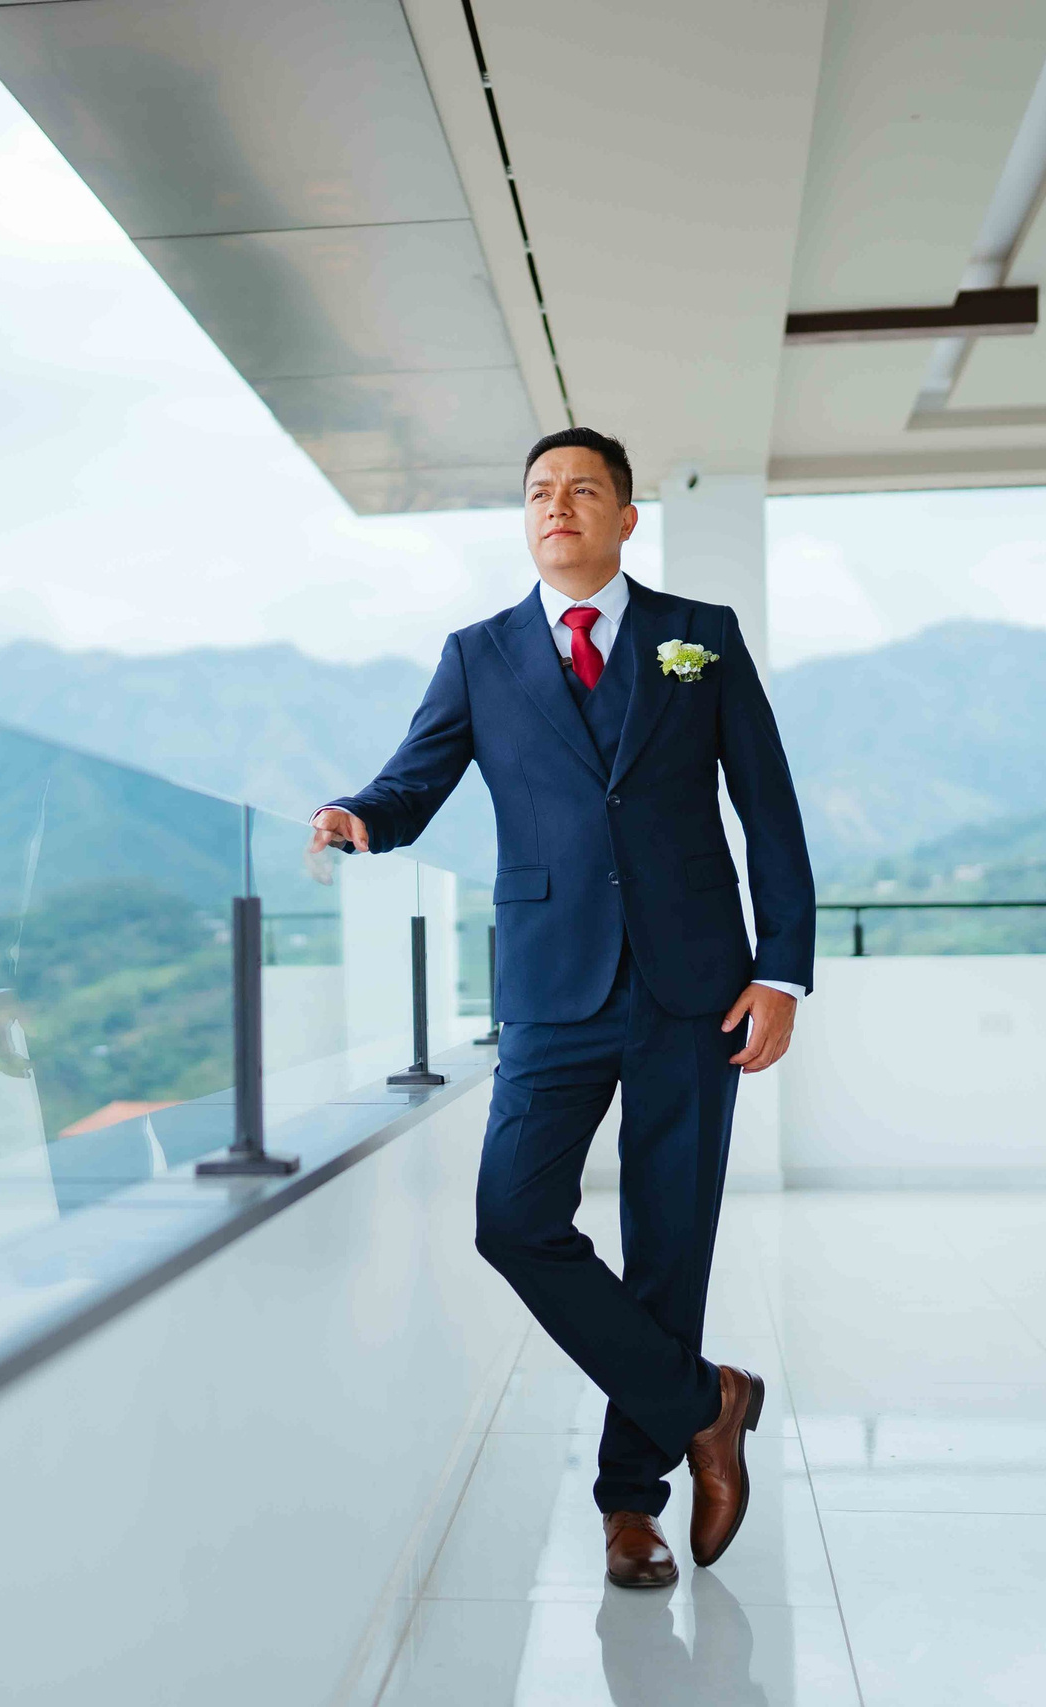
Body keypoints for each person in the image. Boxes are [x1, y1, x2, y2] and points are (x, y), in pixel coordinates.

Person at [311, 426, 816, 1590]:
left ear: (626, 518)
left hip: (696, 982)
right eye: (539, 490)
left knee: (668, 1246)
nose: (558, 505)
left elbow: (769, 811)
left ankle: (630, 1506)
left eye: (584, 489)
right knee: (513, 1219)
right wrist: (357, 816)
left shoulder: (701, 639)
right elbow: (414, 780)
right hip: (552, 985)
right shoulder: (479, 654)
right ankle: (707, 1404)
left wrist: (780, 970)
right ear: (525, 518)